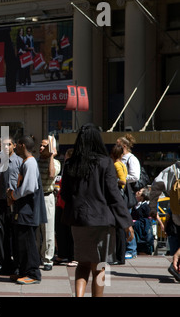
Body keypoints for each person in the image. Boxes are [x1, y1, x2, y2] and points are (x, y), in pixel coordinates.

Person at [60, 123, 134, 297]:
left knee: (83, 263)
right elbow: (113, 195)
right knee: (101, 266)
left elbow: (64, 194)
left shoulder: (70, 163)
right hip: (102, 222)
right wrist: (126, 223)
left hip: (78, 222)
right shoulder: (105, 163)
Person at [7, 135, 47, 285]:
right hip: (23, 210)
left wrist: (13, 195)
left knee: (29, 243)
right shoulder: (26, 162)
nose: (15, 147)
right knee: (22, 242)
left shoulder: (30, 163)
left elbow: (29, 187)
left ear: (22, 145)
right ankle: (24, 272)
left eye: (17, 145)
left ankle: (33, 274)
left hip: (28, 210)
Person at [0, 136, 22, 275]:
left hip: (14, 202)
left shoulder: (20, 162)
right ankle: (4, 262)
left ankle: (17, 263)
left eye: (8, 144)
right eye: (3, 145)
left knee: (14, 235)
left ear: (14, 145)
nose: (5, 147)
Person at [37, 138, 61, 271]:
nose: (41, 148)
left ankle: (47, 259)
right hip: (35, 198)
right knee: (35, 230)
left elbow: (52, 174)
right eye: (40, 145)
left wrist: (51, 155)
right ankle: (36, 256)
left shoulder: (56, 163)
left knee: (48, 230)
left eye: (44, 146)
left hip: (47, 197)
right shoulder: (34, 161)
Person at [149, 160, 180, 260]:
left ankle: (176, 266)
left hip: (176, 214)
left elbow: (155, 187)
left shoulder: (171, 170)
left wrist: (153, 208)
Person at [116, 134, 140, 260]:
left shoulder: (131, 159)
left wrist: (120, 179)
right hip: (120, 194)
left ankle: (131, 249)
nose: (115, 146)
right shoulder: (120, 159)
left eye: (117, 144)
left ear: (124, 146)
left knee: (127, 222)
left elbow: (135, 176)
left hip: (126, 194)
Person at [110, 143, 128, 265]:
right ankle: (119, 256)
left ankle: (119, 257)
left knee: (118, 228)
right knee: (119, 227)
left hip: (118, 197)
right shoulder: (122, 164)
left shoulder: (116, 165)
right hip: (121, 197)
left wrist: (113, 179)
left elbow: (123, 181)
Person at [131, 187, 154, 255]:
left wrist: (135, 222)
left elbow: (147, 219)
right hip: (136, 230)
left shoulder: (146, 206)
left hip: (142, 232)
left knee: (142, 250)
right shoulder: (135, 205)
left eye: (139, 192)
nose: (137, 192)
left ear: (142, 196)